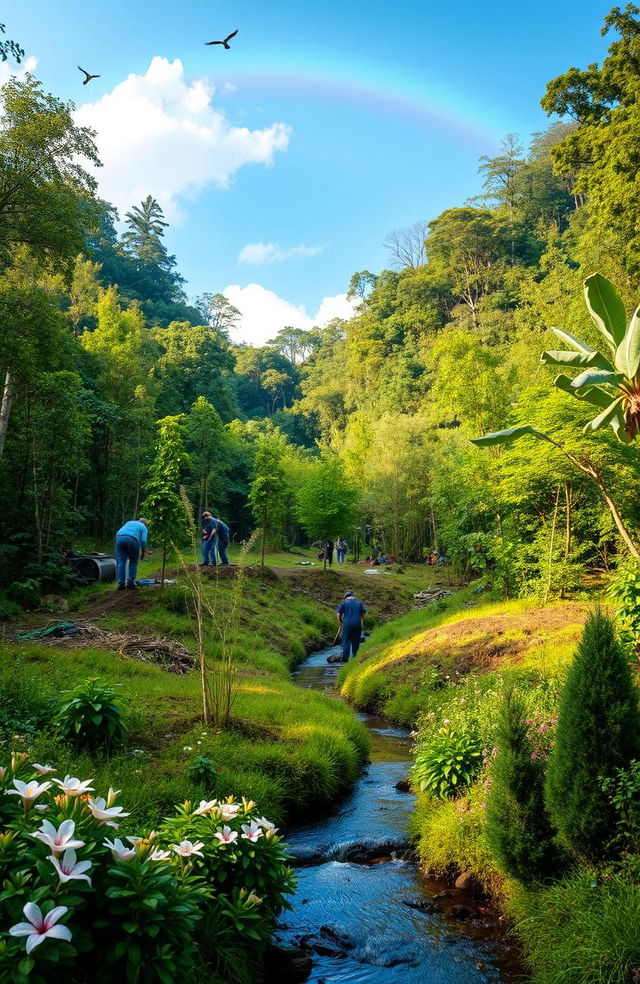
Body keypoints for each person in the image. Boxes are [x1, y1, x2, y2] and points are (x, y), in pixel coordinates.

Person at [114, 518, 149, 590]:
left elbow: (122, 531)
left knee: (121, 561)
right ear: (145, 523)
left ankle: (121, 583)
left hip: (119, 537)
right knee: (133, 561)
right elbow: (143, 541)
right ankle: (131, 583)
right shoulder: (143, 527)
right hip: (132, 539)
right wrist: (143, 553)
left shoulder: (129, 522)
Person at [337, 589, 367, 661]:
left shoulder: (344, 603)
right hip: (357, 624)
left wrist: (341, 621)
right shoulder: (359, 603)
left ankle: (345, 658)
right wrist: (361, 621)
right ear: (352, 597)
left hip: (347, 624)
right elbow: (363, 615)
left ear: (346, 597)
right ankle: (355, 656)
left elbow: (338, 614)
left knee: (346, 640)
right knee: (356, 640)